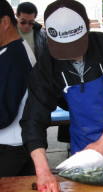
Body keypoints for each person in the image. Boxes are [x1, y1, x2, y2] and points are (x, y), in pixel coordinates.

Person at [20, 0, 103, 191]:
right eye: (63, 50)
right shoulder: (46, 66)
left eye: (76, 46)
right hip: (83, 147)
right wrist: (43, 171)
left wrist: (102, 144)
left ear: (87, 27)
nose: (71, 55)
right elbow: (33, 119)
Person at [0, 0, 36, 177]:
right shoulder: (10, 52)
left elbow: (3, 114)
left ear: (5, 22)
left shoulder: (15, 58)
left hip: (11, 148)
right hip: (15, 145)